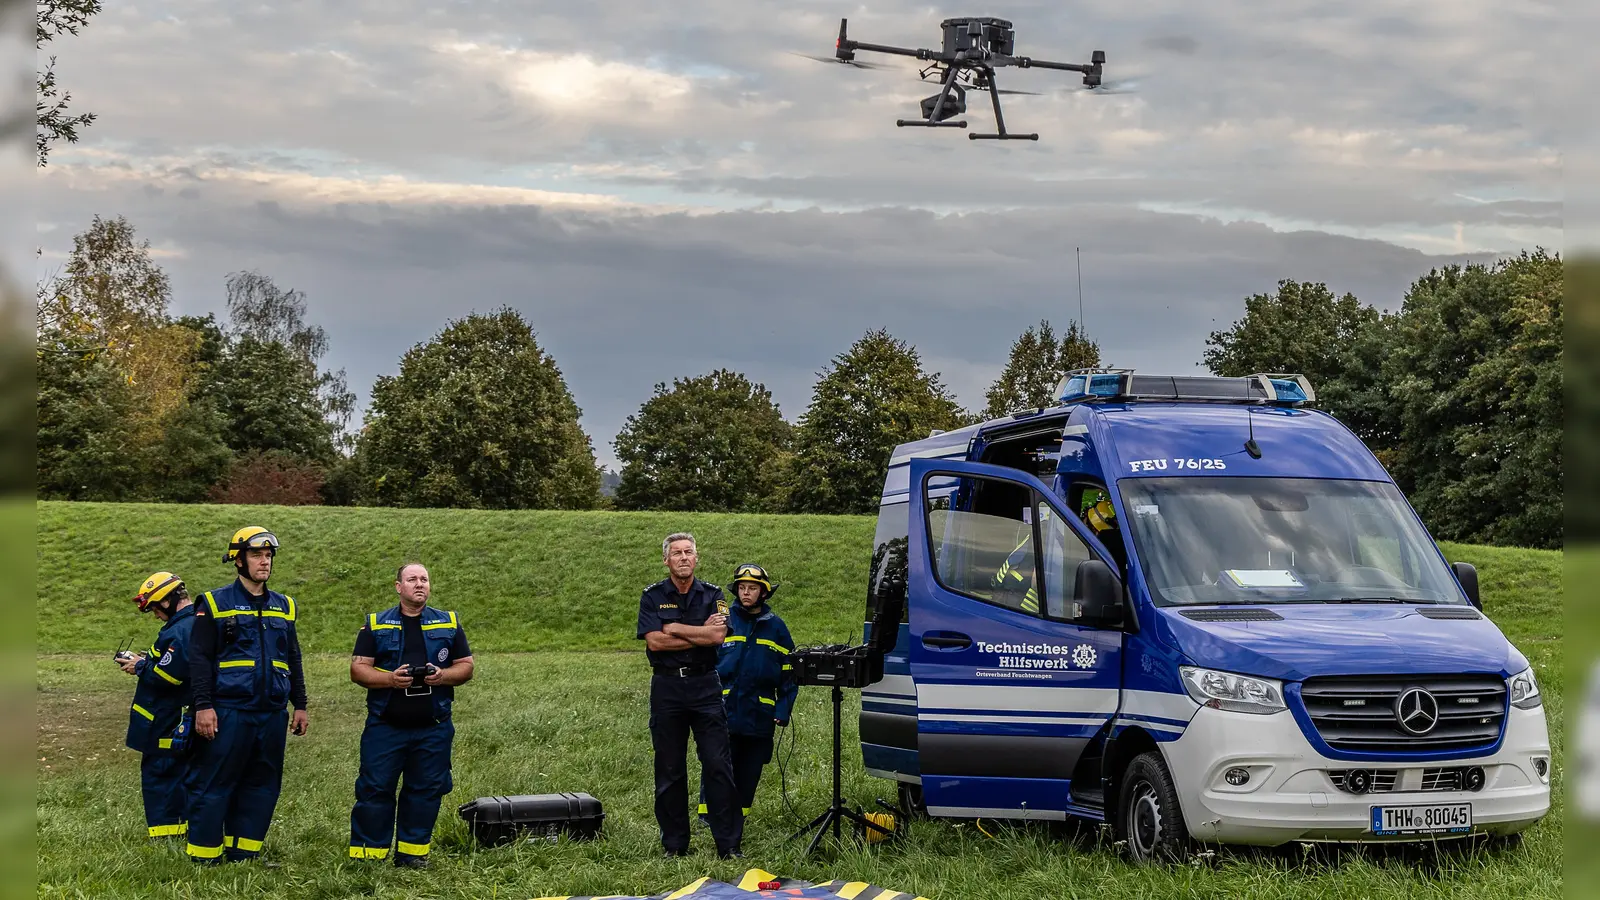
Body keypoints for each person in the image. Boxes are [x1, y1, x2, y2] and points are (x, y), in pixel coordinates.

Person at [183, 526, 310, 865]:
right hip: (229, 711)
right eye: (256, 555)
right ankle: (205, 858)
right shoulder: (212, 603)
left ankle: (244, 854)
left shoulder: (285, 606)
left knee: (263, 785)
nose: (264, 562)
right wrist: (203, 706)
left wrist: (301, 704)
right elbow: (199, 659)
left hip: (271, 713)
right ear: (238, 561)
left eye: (268, 556)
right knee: (215, 783)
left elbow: (292, 658)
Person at [347, 562, 474, 868]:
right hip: (386, 726)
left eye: (424, 579)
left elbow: (467, 666)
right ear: (398, 587)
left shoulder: (448, 623)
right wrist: (390, 680)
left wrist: (442, 676)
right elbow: (358, 669)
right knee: (375, 788)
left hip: (433, 726)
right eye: (412, 579)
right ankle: (368, 857)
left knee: (426, 790)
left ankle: (413, 856)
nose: (420, 584)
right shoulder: (376, 624)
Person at [636, 532, 743, 859]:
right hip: (667, 688)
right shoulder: (652, 596)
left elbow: (718, 635)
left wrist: (676, 628)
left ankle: (728, 845)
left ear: (696, 558)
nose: (683, 557)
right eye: (677, 553)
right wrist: (700, 634)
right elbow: (655, 642)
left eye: (689, 552)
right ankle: (675, 845)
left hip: (705, 686)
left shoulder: (714, 594)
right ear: (666, 560)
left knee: (717, 764)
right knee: (669, 768)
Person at [697, 563, 797, 822]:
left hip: (760, 713)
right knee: (717, 764)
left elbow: (791, 671)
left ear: (763, 593)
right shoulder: (723, 621)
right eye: (742, 588)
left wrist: (783, 709)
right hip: (722, 710)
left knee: (750, 768)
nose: (746, 593)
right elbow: (704, 664)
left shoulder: (777, 628)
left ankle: (737, 820)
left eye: (752, 588)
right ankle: (710, 819)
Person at [120, 571, 197, 840]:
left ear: (167, 601)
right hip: (169, 718)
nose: (155, 615)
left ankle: (167, 837)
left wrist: (139, 666)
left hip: (168, 720)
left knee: (162, 777)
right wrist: (144, 660)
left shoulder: (182, 629)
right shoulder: (185, 625)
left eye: (155, 608)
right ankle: (178, 831)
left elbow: (169, 676)